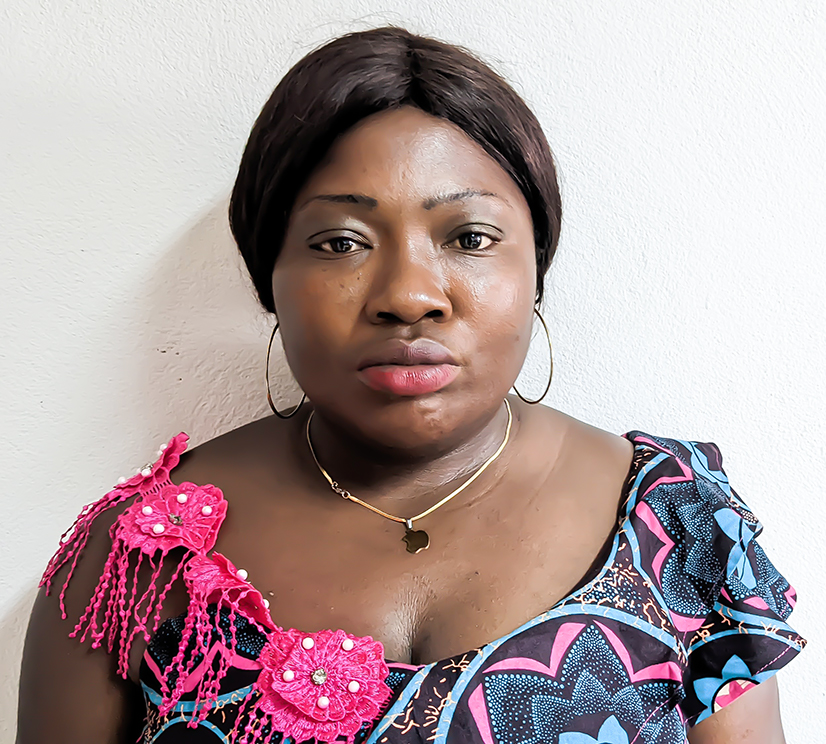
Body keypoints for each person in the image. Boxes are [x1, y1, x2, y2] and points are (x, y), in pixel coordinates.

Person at [17, 26, 804, 744]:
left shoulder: (679, 524)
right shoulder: (128, 565)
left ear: (536, 270)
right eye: (340, 242)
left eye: (470, 236)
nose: (408, 294)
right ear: (269, 280)